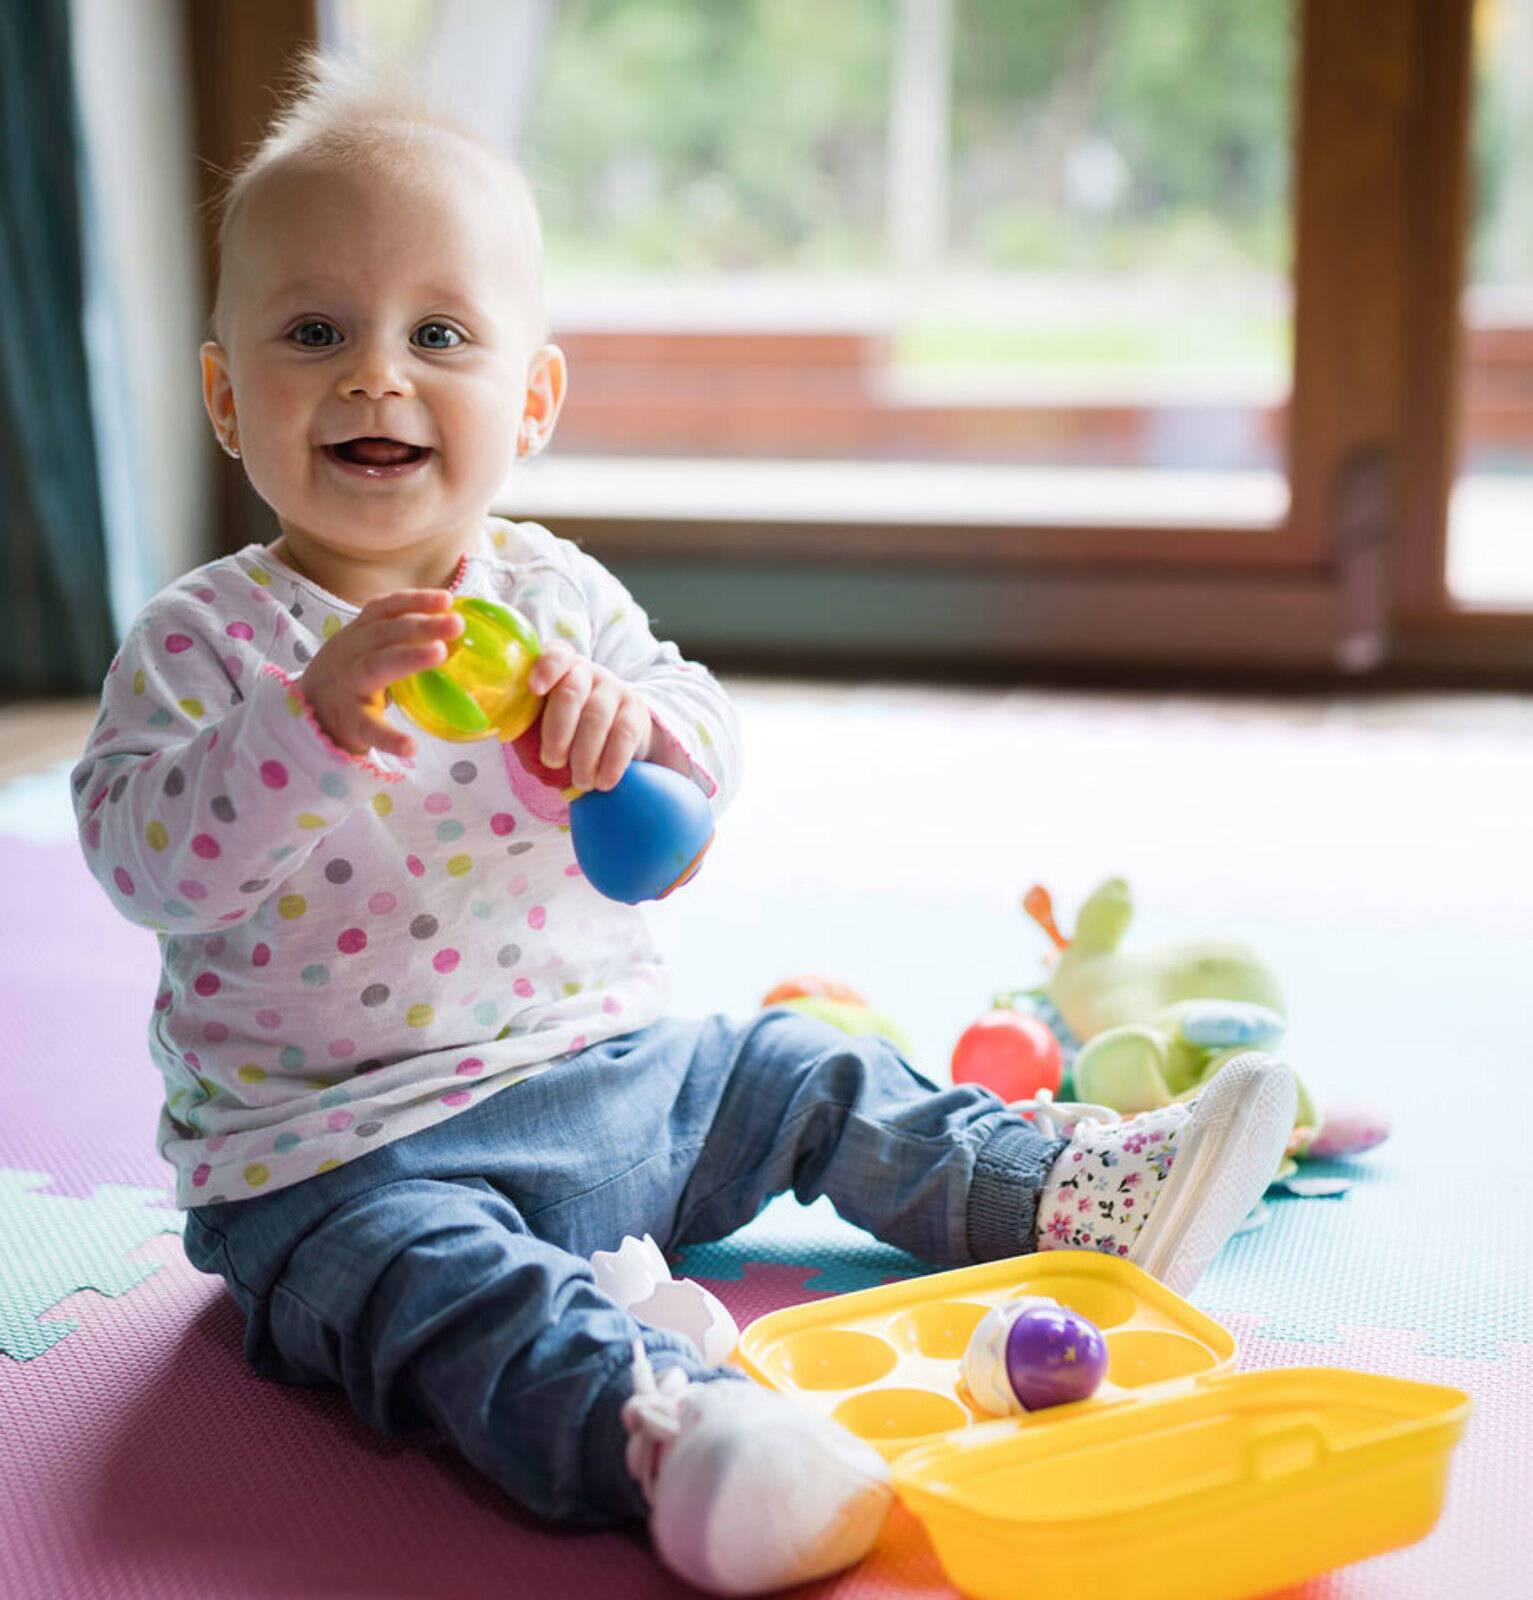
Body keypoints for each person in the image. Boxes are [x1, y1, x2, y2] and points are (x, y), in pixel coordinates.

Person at [71, 53, 1296, 1596]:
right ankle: (674, 1435)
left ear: (531, 399)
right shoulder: (209, 645)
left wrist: (632, 733)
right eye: (315, 332)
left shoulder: (556, 596)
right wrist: (304, 727)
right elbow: (140, 861)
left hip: (621, 1084)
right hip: (344, 1167)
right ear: (227, 392)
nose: (375, 375)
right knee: (441, 1299)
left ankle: (1065, 1195)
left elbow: (698, 743)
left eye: (437, 332)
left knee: (800, 1063)